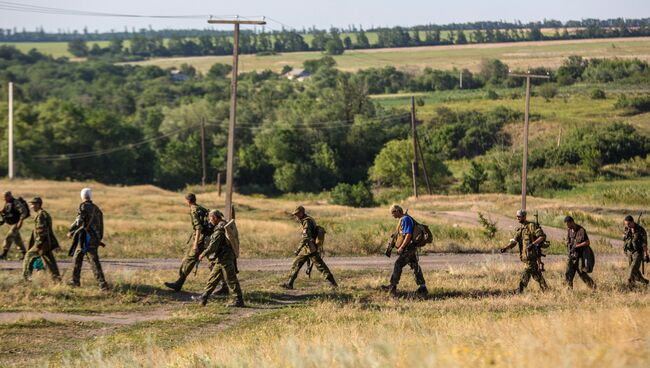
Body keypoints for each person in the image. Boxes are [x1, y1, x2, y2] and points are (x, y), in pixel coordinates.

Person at [165, 194, 228, 295]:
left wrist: (195, 245)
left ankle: (179, 284)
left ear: (187, 201)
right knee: (212, 262)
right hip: (208, 239)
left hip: (201, 241)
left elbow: (198, 228)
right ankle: (224, 286)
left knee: (190, 260)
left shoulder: (193, 210)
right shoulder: (201, 208)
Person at [193, 210, 244, 307]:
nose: (209, 221)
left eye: (210, 219)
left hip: (225, 258)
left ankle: (238, 300)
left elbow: (213, 247)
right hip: (222, 258)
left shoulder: (219, 230)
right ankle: (204, 297)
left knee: (231, 279)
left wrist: (203, 254)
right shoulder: (224, 224)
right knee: (213, 278)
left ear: (215, 218)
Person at [280, 206, 337, 290]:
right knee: (297, 263)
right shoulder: (307, 219)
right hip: (308, 247)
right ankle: (289, 283)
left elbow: (306, 237)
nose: (296, 216)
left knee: (320, 266)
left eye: (297, 214)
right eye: (295, 214)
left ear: (302, 213)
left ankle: (333, 284)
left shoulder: (306, 221)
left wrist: (298, 249)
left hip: (310, 248)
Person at [382, 205, 428, 297]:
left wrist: (402, 247)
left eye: (392, 213)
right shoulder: (404, 219)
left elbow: (408, 235)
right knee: (415, 267)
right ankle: (423, 288)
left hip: (408, 248)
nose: (392, 215)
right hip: (410, 248)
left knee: (398, 264)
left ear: (397, 211)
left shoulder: (405, 219)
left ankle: (393, 287)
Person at [67, 188, 108, 290]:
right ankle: (76, 281)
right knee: (81, 257)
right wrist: (98, 238)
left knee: (91, 260)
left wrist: (71, 230)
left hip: (87, 238)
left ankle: (101, 284)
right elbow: (101, 226)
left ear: (82, 196)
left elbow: (79, 221)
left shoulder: (83, 207)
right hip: (95, 238)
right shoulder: (97, 209)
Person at [500, 209, 549, 293]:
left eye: (519, 216)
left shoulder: (531, 226)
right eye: (517, 216)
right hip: (525, 256)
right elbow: (514, 242)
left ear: (524, 217)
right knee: (536, 274)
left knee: (526, 272)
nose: (517, 218)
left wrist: (533, 244)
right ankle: (546, 289)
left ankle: (520, 289)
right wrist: (506, 248)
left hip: (532, 256)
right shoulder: (520, 229)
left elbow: (542, 237)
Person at [22, 197, 61, 282]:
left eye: (33, 204)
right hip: (47, 243)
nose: (31, 207)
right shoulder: (44, 214)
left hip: (42, 243)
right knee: (50, 262)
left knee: (29, 256)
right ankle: (57, 280)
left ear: (38, 205)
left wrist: (38, 245)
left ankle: (26, 279)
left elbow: (41, 231)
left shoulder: (40, 216)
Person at [564, 216, 596, 290]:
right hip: (572, 256)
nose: (567, 226)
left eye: (568, 224)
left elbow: (587, 242)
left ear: (572, 222)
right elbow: (568, 241)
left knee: (582, 274)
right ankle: (569, 292)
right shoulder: (569, 230)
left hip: (580, 256)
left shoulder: (581, 230)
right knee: (568, 274)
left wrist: (577, 246)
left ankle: (593, 288)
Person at [0, 191, 29, 260]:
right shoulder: (7, 203)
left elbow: (23, 212)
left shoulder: (16, 202)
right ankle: (25, 254)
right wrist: (3, 220)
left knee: (9, 236)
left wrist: (20, 221)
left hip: (17, 222)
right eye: (4, 198)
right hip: (12, 222)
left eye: (6, 197)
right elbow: (5, 212)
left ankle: (4, 254)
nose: (4, 199)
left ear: (9, 196)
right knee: (17, 240)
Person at [623, 215, 650, 288]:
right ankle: (645, 282)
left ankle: (630, 287)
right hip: (630, 253)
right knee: (636, 272)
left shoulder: (640, 230)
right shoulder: (627, 229)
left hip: (638, 253)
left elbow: (644, 243)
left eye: (628, 224)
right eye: (626, 224)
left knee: (632, 270)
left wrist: (646, 254)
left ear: (632, 222)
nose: (627, 225)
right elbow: (625, 240)